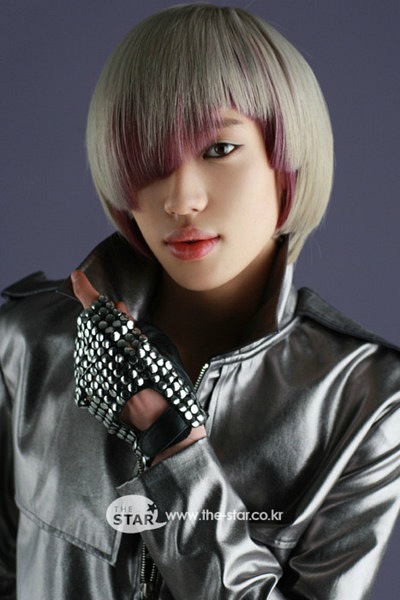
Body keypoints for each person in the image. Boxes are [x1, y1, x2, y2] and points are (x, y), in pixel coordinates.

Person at [1, 4, 399, 599]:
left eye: (218, 148)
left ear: (286, 159)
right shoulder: (28, 340)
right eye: (147, 156)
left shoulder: (364, 397)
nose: (181, 199)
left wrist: (174, 450)